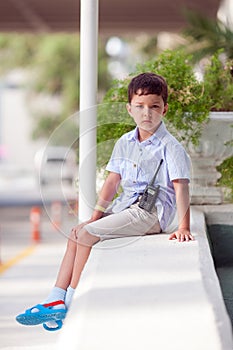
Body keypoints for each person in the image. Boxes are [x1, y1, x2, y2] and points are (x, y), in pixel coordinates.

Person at [16, 72, 194, 331]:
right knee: (77, 231)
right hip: (127, 207)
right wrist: (95, 216)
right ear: (129, 109)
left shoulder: (170, 146)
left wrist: (184, 227)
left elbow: (181, 187)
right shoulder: (124, 143)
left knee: (86, 235)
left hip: (150, 214)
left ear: (164, 109)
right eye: (140, 107)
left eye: (154, 106)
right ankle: (55, 297)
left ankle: (72, 301)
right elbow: (112, 183)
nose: (147, 113)